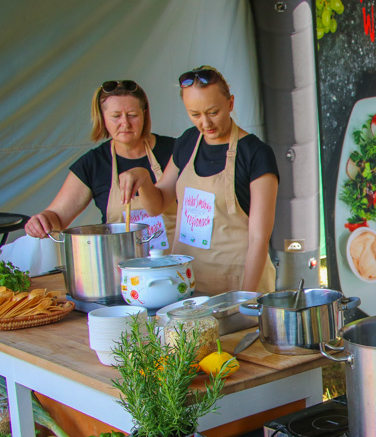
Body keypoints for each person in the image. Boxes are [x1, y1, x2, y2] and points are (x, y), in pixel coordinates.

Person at [119, 66, 278, 294]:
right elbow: (157, 205)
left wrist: (244, 300)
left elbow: (259, 238)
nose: (205, 123)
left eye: (213, 112)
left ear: (230, 103)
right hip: (187, 283)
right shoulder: (187, 141)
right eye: (195, 114)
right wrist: (142, 178)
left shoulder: (256, 154)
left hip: (239, 282)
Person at [25, 80, 175, 250]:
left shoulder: (176, 151)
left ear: (144, 114)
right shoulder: (93, 164)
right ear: (103, 118)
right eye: (116, 116)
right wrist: (42, 221)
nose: (125, 123)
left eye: (132, 115)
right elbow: (57, 217)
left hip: (178, 261)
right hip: (119, 264)